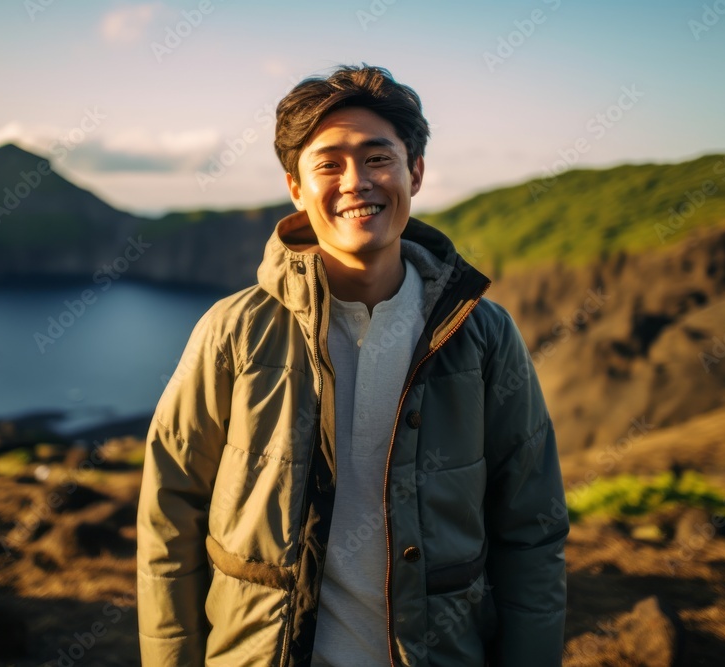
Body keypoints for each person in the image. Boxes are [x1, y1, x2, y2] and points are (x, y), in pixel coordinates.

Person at [137, 64, 568, 666]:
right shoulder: (234, 331)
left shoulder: (483, 336)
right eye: (328, 164)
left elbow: (533, 530)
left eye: (377, 158)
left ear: (414, 172)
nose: (355, 182)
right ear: (295, 186)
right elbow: (169, 517)